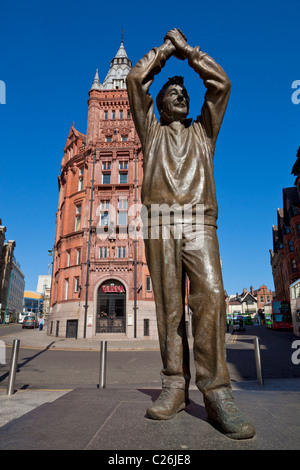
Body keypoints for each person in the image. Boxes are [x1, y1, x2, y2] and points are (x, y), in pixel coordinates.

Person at [127, 29, 255, 439]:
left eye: (184, 93)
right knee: (167, 308)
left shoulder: (204, 132)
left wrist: (189, 53)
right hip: (160, 221)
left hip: (200, 220)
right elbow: (134, 81)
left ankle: (217, 392)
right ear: (159, 105)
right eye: (172, 93)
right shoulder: (152, 131)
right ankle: (174, 385)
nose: (180, 95)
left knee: (213, 297)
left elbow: (221, 85)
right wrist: (165, 51)